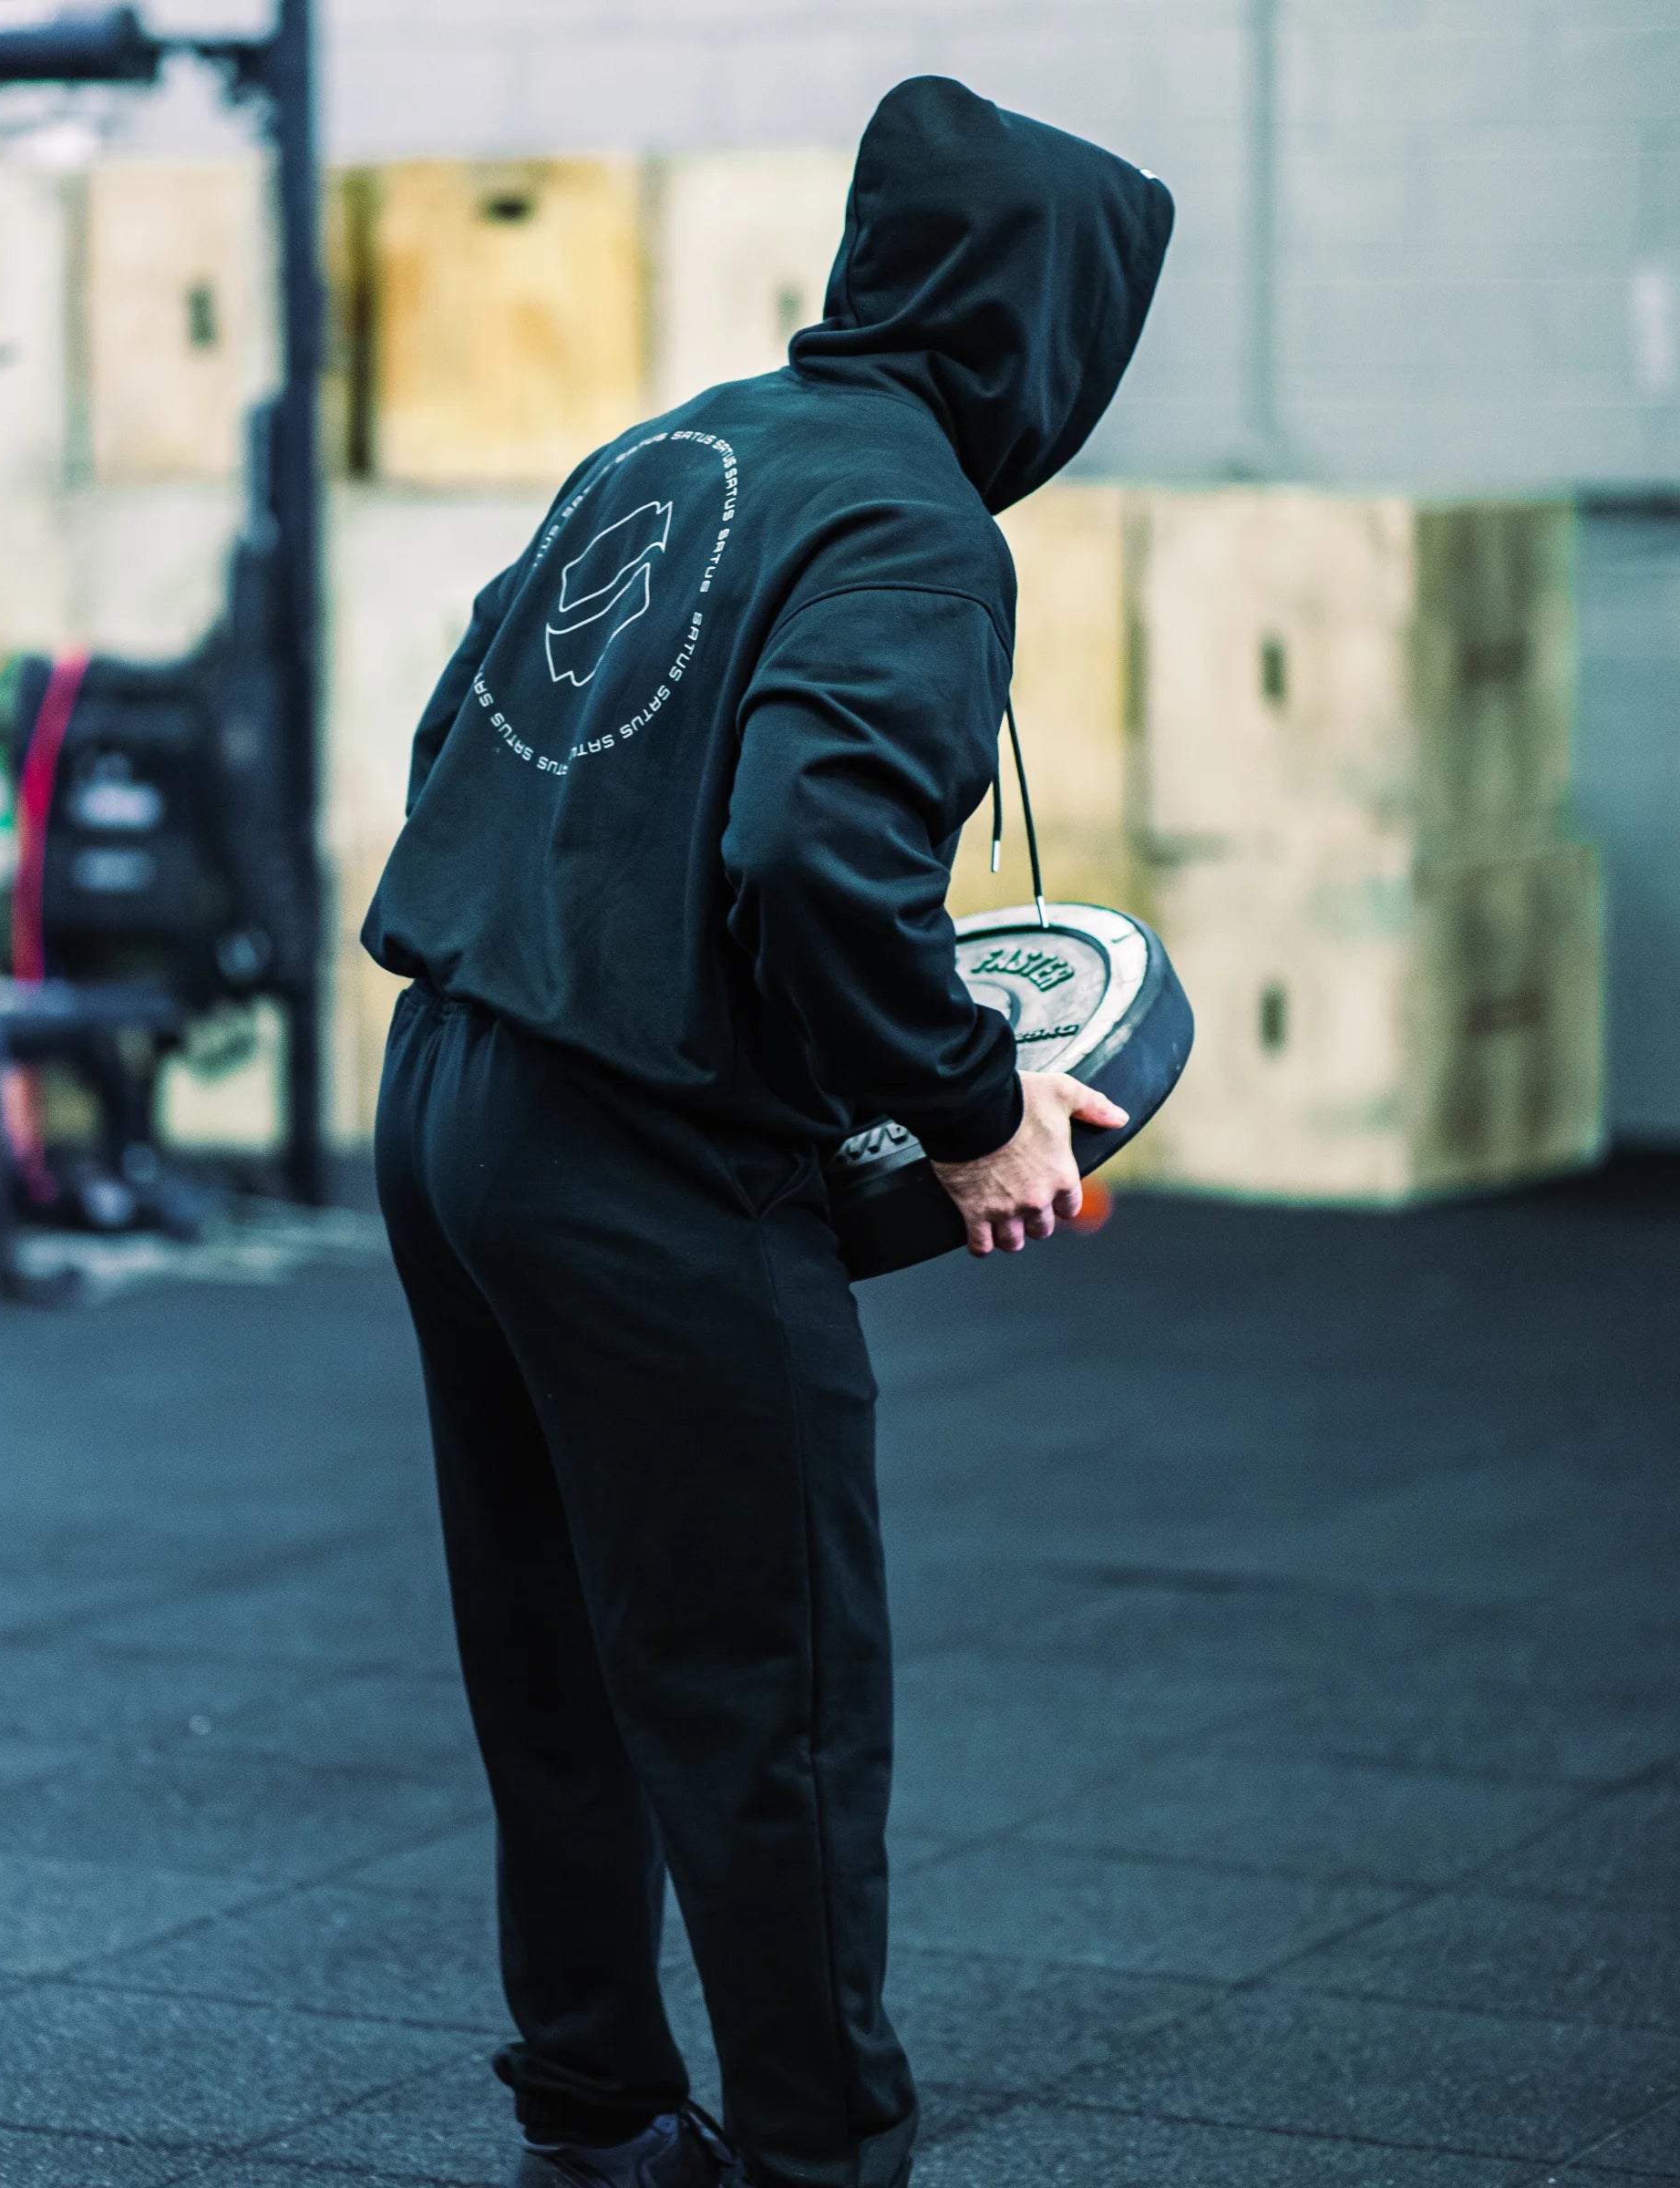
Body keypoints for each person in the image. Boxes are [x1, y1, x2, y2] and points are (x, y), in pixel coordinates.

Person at [362, 72, 1172, 2188]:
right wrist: (980, 1105)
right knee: (771, 1704)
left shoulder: (681, 439)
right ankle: (821, 2164)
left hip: (449, 1096)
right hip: (635, 1162)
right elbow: (818, 854)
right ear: (1045, 329)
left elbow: (464, 725)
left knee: (557, 1667)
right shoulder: (916, 520)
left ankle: (602, 2126)